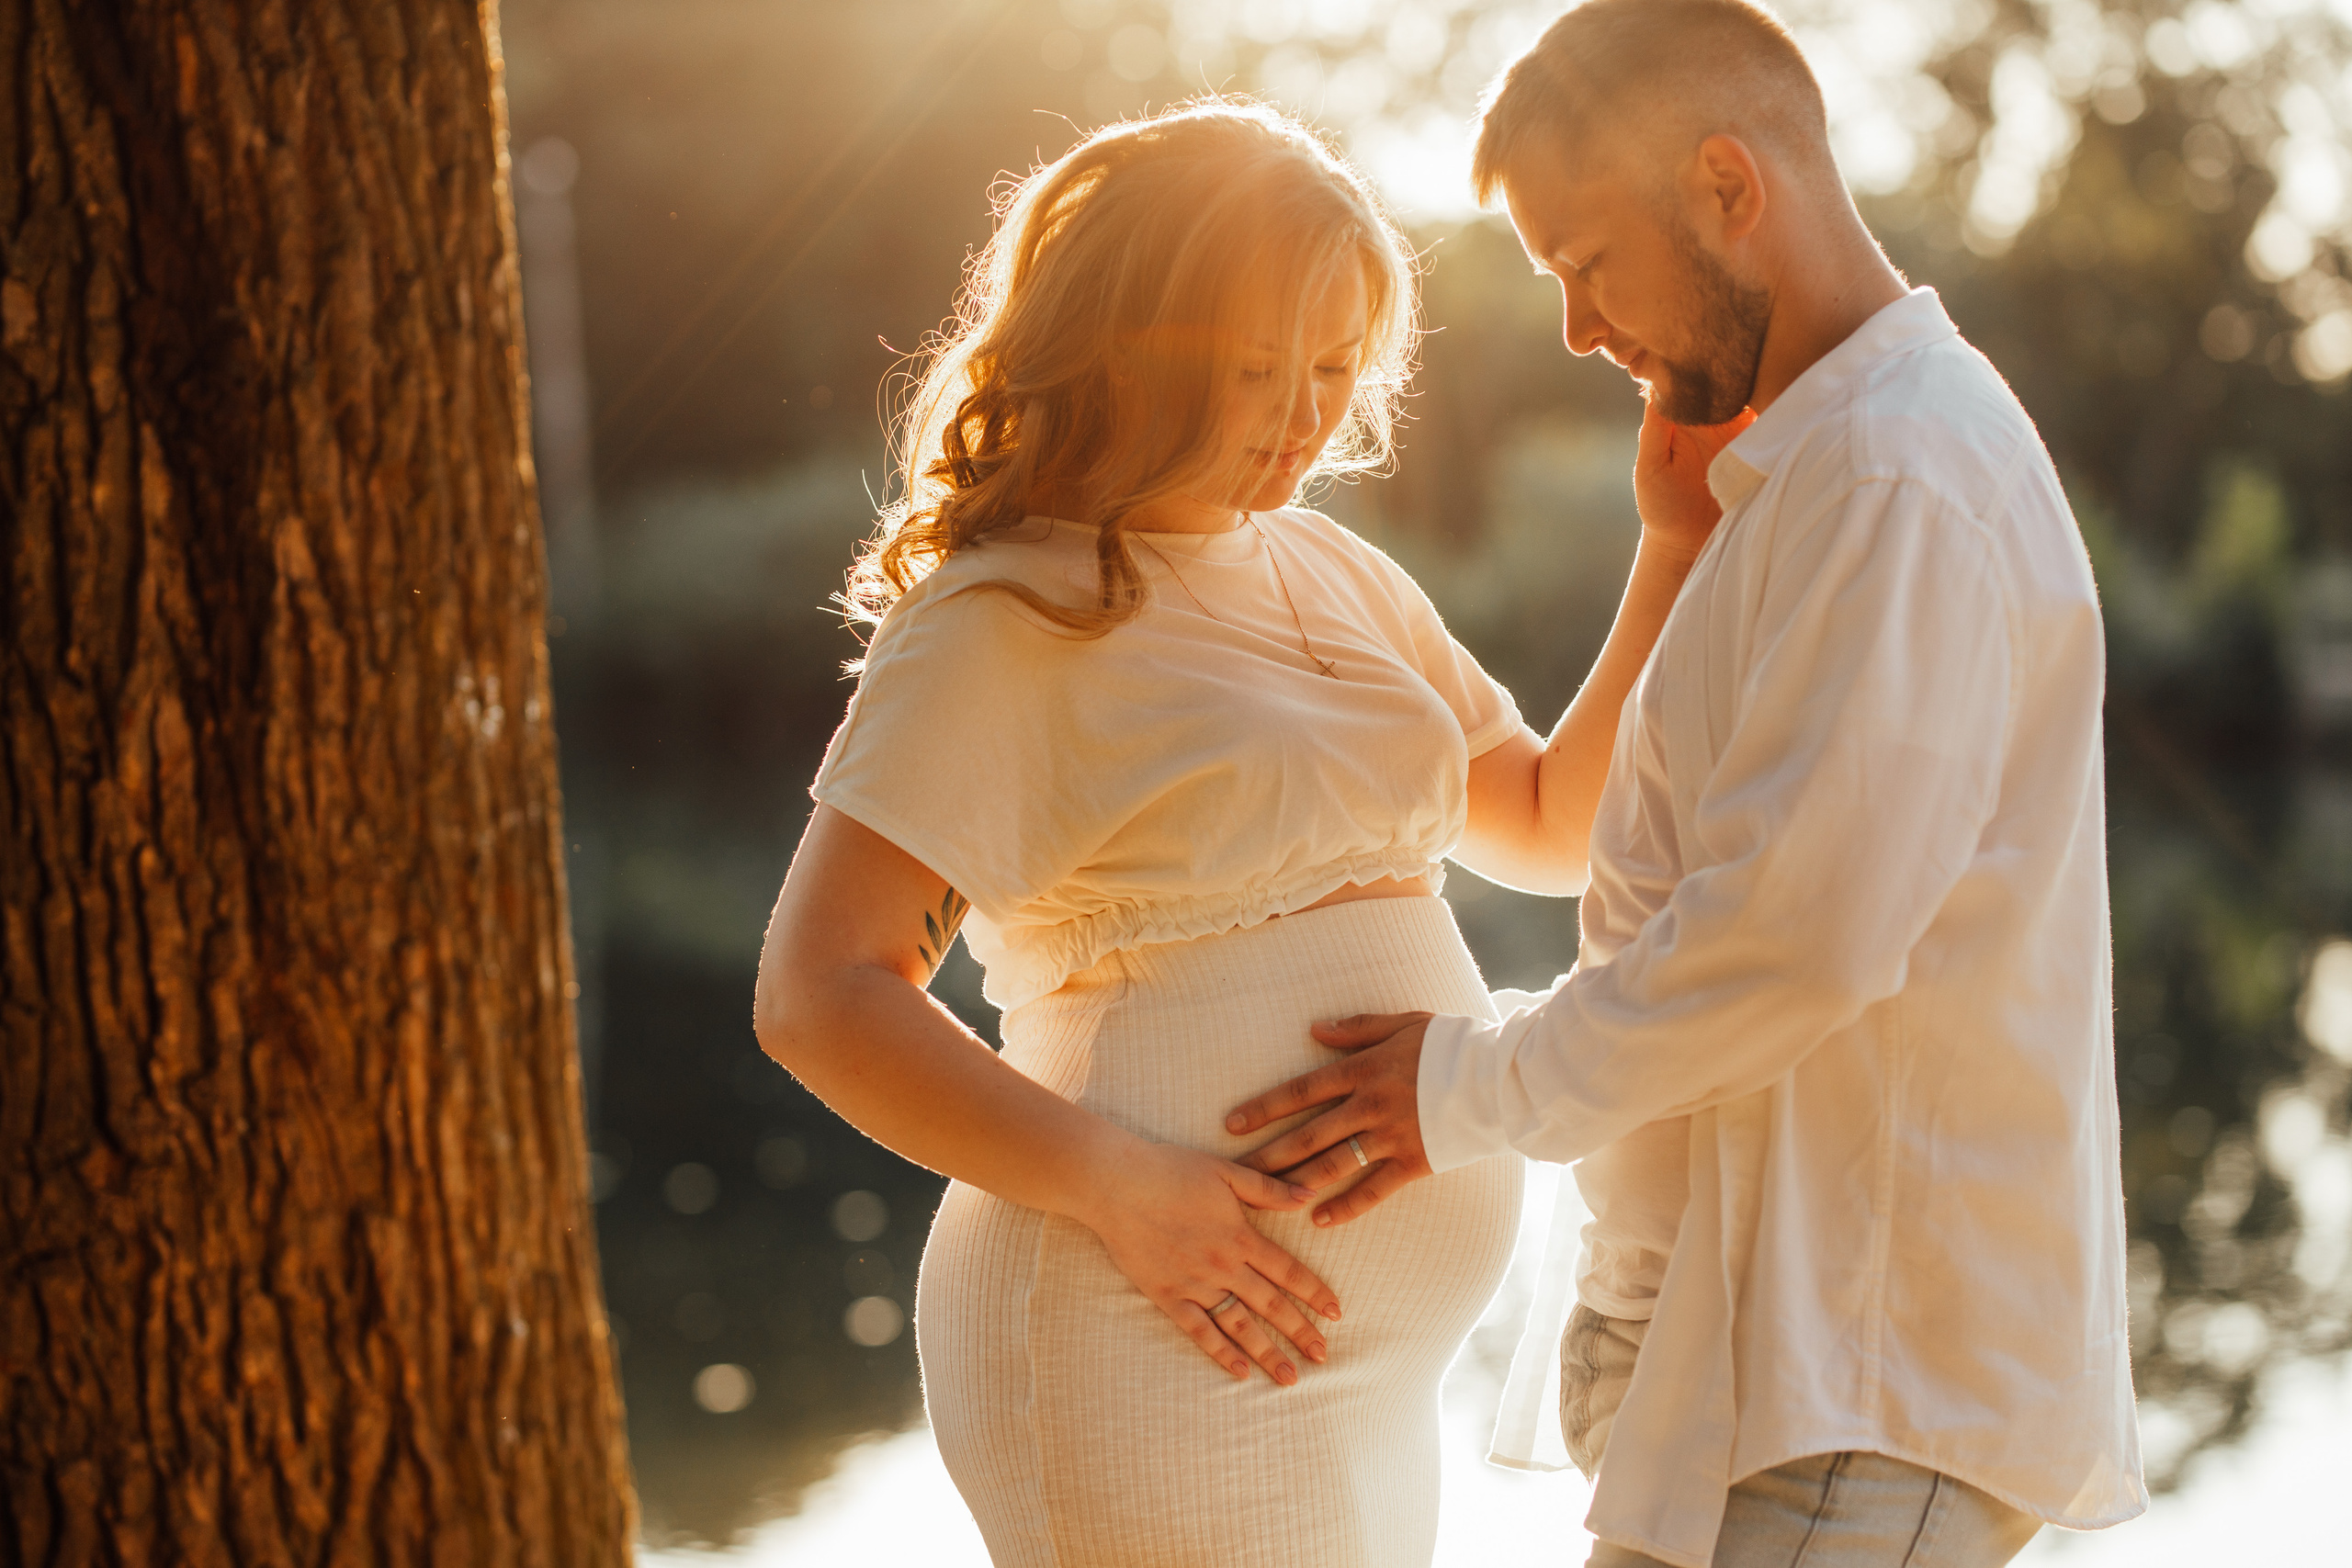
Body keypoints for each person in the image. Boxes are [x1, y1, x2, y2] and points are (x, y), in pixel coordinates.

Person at [753, 100, 1736, 1568]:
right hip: (1143, 1317)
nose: (1305, 416)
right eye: (1257, 370)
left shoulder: (1337, 569)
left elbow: (1541, 822)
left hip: (1365, 1374)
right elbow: (818, 995)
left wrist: (1668, 552)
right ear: (1127, 343)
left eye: (1337, 370)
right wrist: (1121, 1190)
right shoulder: (1011, 607)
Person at [1225, 5, 2147, 1565]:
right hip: (1768, 1390)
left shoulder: (1894, 481)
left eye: (1587, 262)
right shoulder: (1817, 477)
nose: (1580, 330)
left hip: (1855, 1390)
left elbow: (1792, 941)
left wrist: (1455, 1088)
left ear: (1730, 188)